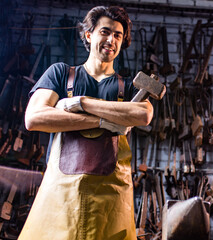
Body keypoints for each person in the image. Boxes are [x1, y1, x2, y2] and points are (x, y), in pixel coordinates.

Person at [18, 6, 153, 240]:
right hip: (60, 198)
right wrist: (104, 121)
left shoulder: (129, 87)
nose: (111, 39)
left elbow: (143, 114)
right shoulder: (60, 74)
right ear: (89, 35)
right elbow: (35, 117)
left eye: (118, 35)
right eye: (105, 31)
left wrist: (82, 103)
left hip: (111, 203)